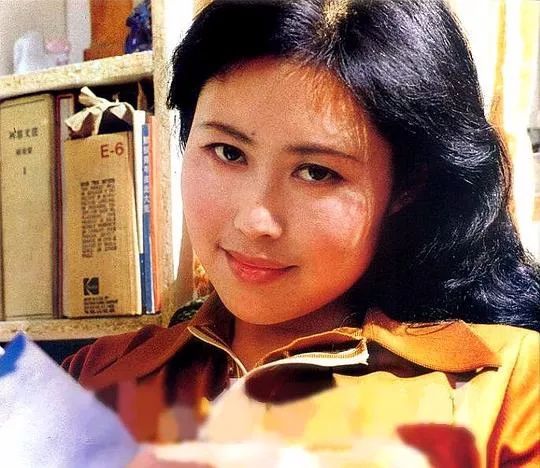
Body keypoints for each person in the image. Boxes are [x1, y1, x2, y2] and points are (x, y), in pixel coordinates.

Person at [63, 0, 540, 465]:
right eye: (228, 152)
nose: (254, 220)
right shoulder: (90, 376)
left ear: (407, 187)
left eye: (316, 172)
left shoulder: (512, 392)